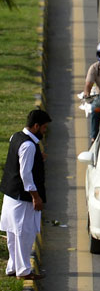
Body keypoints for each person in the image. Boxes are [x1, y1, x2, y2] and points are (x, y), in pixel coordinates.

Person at [1, 109, 50, 281]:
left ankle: (13, 267)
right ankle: (24, 271)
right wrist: (36, 197)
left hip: (10, 195)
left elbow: (20, 161)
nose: (44, 131)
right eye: (44, 128)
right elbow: (26, 175)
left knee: (13, 234)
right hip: (22, 198)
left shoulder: (16, 137)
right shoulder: (29, 145)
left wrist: (38, 158)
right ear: (36, 126)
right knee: (24, 234)